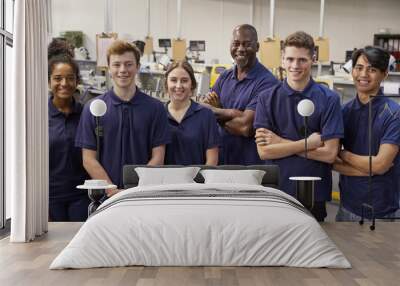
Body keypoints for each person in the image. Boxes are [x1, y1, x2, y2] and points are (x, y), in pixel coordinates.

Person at [254, 31, 344, 221]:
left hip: (314, 194)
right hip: (277, 192)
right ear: (282, 60)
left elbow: (329, 154)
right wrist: (309, 143)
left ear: (313, 59)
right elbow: (264, 152)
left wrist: (280, 142)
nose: (295, 66)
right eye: (290, 59)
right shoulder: (266, 98)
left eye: (302, 60)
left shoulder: (329, 99)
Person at [75, 40, 170, 196]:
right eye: (117, 64)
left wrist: (136, 190)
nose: (122, 70)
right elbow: (88, 159)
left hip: (142, 195)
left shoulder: (155, 109)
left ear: (138, 67)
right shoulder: (93, 108)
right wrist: (111, 190)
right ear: (109, 68)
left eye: (128, 64)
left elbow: (158, 157)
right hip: (105, 197)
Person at [334, 46, 400, 221]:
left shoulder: (393, 113)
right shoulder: (343, 111)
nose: (363, 74)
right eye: (359, 67)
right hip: (346, 206)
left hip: (381, 212)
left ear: (384, 74)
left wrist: (342, 153)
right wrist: (369, 169)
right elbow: (330, 162)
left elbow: (380, 165)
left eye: (372, 69)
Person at [201, 24, 278, 165]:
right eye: (236, 44)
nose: (241, 49)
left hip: (250, 166)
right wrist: (231, 113)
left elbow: (245, 127)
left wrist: (216, 111)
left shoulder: (267, 83)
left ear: (257, 47)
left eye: (247, 44)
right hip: (221, 161)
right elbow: (203, 111)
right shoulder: (224, 76)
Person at [48, 52, 90, 221]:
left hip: (81, 196)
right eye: (58, 78)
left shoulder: (86, 114)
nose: (64, 83)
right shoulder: (38, 116)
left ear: (77, 81)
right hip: (49, 197)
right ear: (49, 80)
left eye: (70, 78)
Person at [164, 61, 220, 165]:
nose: (178, 85)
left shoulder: (206, 115)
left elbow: (212, 160)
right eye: (173, 80)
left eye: (184, 80)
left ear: (192, 85)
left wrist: (201, 181)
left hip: (196, 180)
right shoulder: (158, 115)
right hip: (165, 180)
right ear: (166, 84)